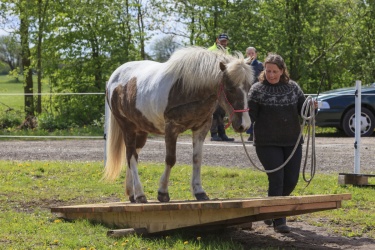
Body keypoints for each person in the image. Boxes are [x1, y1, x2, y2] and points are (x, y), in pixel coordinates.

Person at [248, 53, 315, 233]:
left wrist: (312, 106)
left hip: (292, 142)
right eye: (268, 71)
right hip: (267, 142)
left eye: (274, 71)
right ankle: (279, 220)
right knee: (277, 179)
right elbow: (249, 116)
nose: (271, 74)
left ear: (282, 70)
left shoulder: (293, 88)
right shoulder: (256, 90)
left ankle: (271, 210)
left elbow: (304, 109)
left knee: (291, 180)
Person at [208, 33, 234, 142]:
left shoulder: (227, 51)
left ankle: (222, 133)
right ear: (217, 40)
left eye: (225, 40)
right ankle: (214, 134)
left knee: (222, 111)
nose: (224, 42)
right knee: (214, 111)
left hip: (223, 84)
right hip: (213, 83)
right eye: (222, 40)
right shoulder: (210, 50)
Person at [245, 47, 263, 141]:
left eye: (252, 53)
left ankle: (259, 132)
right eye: (249, 53)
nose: (251, 55)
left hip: (258, 91)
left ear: (256, 54)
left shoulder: (260, 65)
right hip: (248, 92)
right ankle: (251, 133)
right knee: (249, 113)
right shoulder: (244, 65)